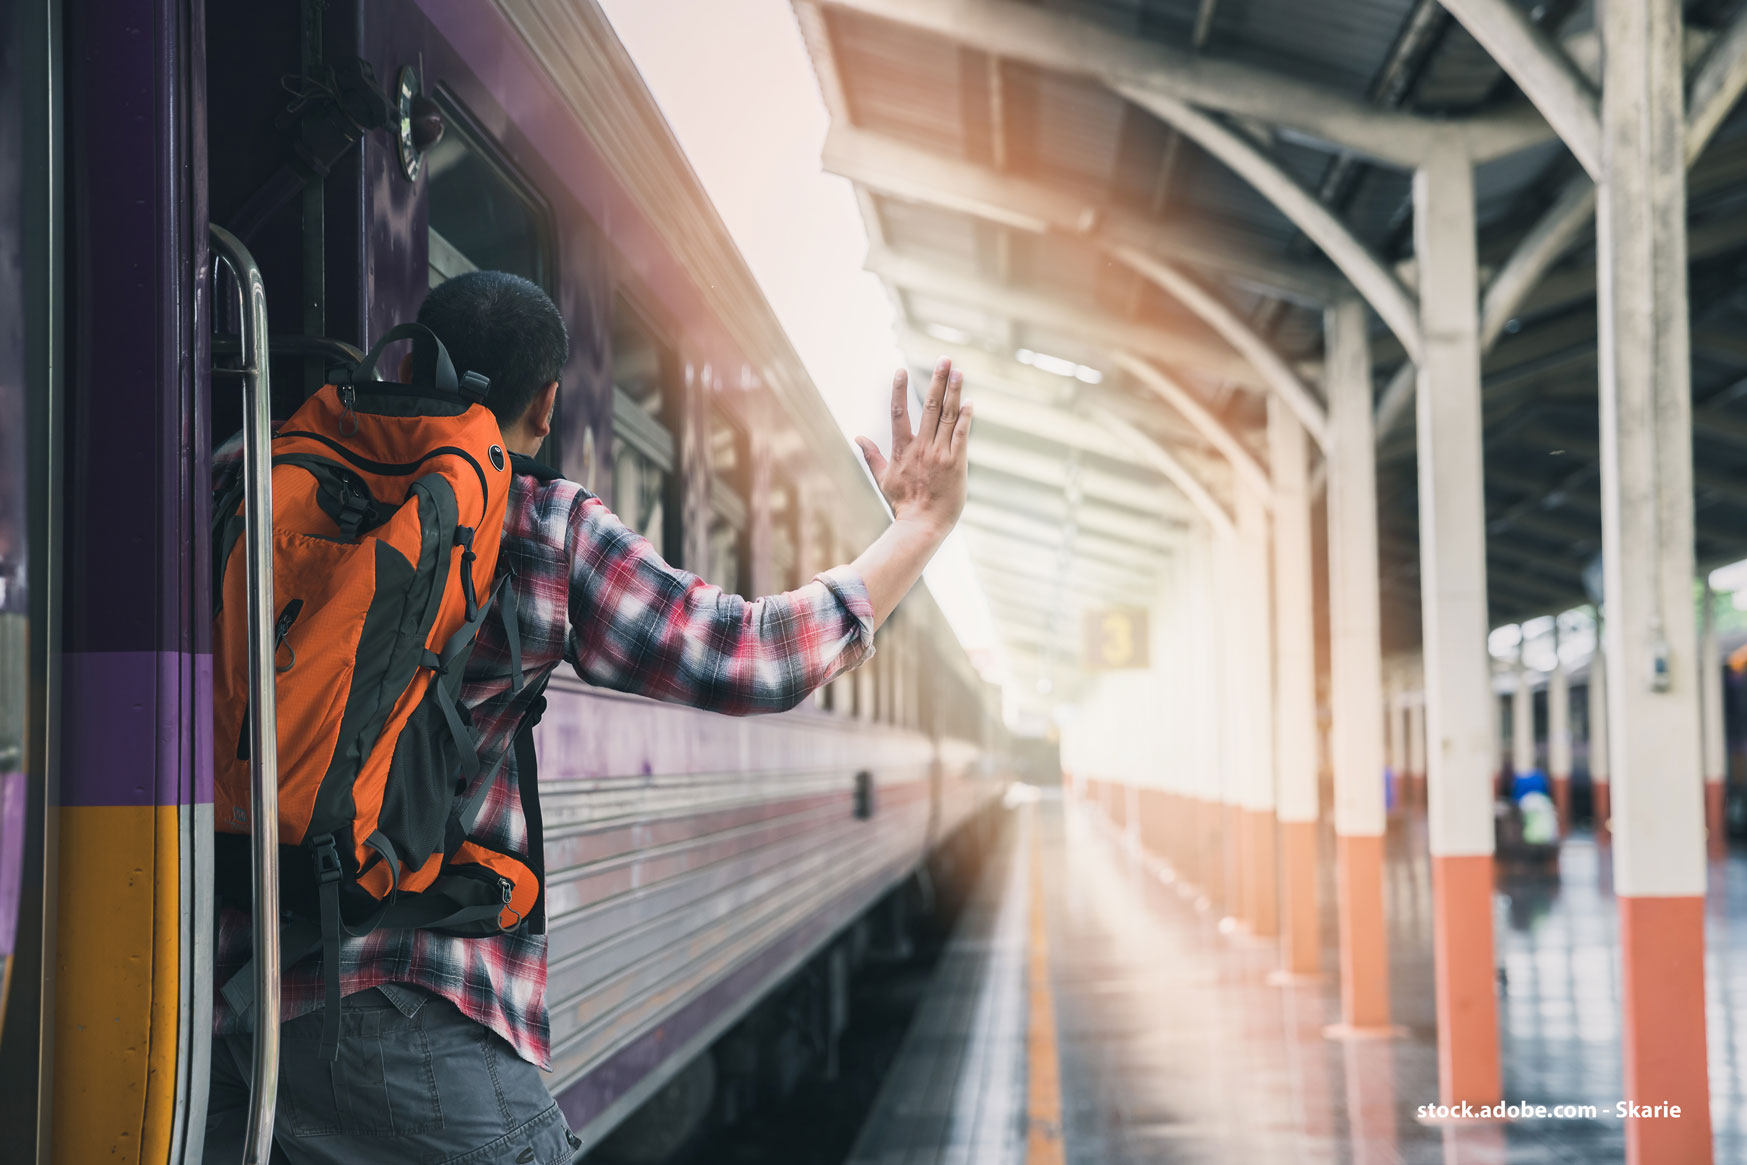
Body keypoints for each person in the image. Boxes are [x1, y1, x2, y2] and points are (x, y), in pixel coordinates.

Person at [202, 270, 972, 1164]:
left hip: (229, 1005)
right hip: (409, 997)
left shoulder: (245, 475)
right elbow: (748, 655)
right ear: (549, 403)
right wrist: (916, 528)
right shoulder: (539, 523)